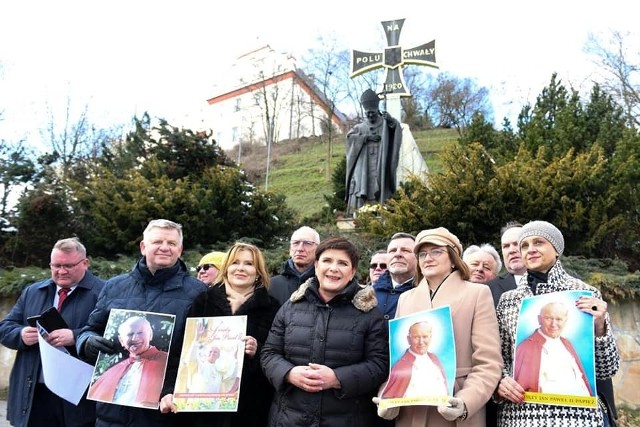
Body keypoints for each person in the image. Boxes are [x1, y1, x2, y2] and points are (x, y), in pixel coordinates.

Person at [76, 219, 207, 427]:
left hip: (164, 411)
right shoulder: (114, 287)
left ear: (180, 249)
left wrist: (175, 390)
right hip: (112, 413)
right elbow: (89, 329)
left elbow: (202, 352)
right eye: (158, 241)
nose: (164, 247)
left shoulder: (198, 292)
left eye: (172, 243)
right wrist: (87, 342)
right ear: (143, 246)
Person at [495, 220, 620, 426]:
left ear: (556, 249)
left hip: (576, 417)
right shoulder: (509, 300)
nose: (530, 250)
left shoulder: (584, 294)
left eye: (538, 242)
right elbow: (500, 355)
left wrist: (600, 327)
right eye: (524, 245)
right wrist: (501, 382)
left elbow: (607, 369)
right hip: (521, 414)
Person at [375, 227, 503, 426]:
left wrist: (466, 401)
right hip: (411, 412)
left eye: (436, 251)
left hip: (456, 408)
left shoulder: (477, 293)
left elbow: (488, 362)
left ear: (453, 258)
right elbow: (398, 362)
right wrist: (387, 396)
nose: (428, 258)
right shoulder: (406, 299)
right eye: (422, 253)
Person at [260, 237, 389, 426]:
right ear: (316, 265)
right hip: (290, 419)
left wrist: (338, 379)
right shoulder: (290, 307)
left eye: (343, 263)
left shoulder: (370, 314)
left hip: (349, 419)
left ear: (352, 272)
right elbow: (269, 353)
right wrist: (289, 373)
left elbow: (379, 364)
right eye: (327, 261)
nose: (334, 268)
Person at [160, 242, 280, 426]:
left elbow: (278, 355)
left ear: (258, 271)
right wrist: (169, 389)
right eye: (235, 262)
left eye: (249, 264)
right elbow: (181, 350)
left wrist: (258, 350)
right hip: (200, 406)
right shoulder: (204, 301)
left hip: (250, 407)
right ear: (226, 268)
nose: (240, 268)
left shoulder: (271, 307)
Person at [0, 237, 104, 427]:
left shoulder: (105, 292)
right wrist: (21, 334)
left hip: (78, 395)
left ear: (85, 263)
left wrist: (75, 336)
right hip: (34, 392)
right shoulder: (33, 291)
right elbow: (5, 328)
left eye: (68, 266)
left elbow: (114, 335)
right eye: (56, 265)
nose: (61, 271)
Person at [514, 301, 592, 396]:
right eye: (548, 318)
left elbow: (580, 380)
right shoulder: (526, 347)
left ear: (565, 321)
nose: (553, 324)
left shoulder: (567, 344)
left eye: (559, 319)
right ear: (539, 319)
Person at [345, 88, 403, 215]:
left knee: (380, 183)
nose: (370, 115)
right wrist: (365, 138)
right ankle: (363, 212)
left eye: (372, 112)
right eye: (367, 113)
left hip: (380, 162)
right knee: (364, 185)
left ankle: (382, 211)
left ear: (377, 111)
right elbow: (349, 139)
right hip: (364, 166)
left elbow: (396, 131)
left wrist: (391, 121)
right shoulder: (359, 127)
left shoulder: (385, 124)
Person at [381, 321, 448, 399]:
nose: (421, 342)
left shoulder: (434, 358)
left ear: (430, 338)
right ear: (408, 339)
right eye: (416, 337)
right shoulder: (400, 366)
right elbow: (390, 397)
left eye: (425, 337)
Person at [269, 226, 320, 305]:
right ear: (290, 249)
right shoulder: (271, 285)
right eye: (296, 243)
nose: (300, 248)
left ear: (318, 249)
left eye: (307, 243)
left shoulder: (325, 285)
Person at [373, 232, 417, 321]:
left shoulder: (428, 293)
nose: (397, 254)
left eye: (405, 250)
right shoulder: (369, 294)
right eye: (392, 251)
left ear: (418, 257)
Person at [487, 222, 526, 307]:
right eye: (506, 246)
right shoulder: (488, 290)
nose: (511, 250)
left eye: (516, 244)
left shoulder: (554, 283)